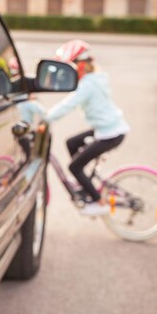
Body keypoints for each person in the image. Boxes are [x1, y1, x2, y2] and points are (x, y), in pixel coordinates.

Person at [44, 40, 129, 216]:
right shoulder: (97, 77)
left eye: (71, 68)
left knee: (74, 167)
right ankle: (84, 181)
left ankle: (99, 201)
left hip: (110, 133)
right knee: (71, 143)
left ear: (81, 66)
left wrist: (44, 118)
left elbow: (68, 104)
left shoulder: (88, 85)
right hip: (109, 127)